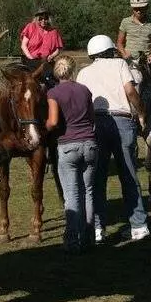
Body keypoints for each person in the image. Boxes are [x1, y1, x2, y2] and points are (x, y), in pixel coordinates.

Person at [77, 34, 150, 242]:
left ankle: (98, 228)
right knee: (128, 174)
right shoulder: (119, 64)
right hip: (122, 121)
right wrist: (142, 113)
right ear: (110, 50)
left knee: (97, 178)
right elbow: (131, 92)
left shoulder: (83, 72)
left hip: (96, 124)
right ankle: (138, 225)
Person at [45, 56, 97, 253]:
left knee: (72, 195)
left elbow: (53, 121)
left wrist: (44, 128)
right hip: (90, 143)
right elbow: (91, 118)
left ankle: (73, 239)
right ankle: (89, 236)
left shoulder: (54, 92)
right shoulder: (84, 90)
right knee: (88, 192)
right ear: (72, 71)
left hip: (68, 146)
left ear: (57, 72)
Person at [20, 7, 64, 86]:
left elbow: (58, 50)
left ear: (49, 19)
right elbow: (23, 45)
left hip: (46, 61)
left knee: (58, 78)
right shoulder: (31, 27)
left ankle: (55, 95)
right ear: (37, 18)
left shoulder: (54, 31)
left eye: (45, 18)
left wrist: (52, 55)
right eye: (41, 18)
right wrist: (30, 57)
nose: (43, 20)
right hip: (30, 59)